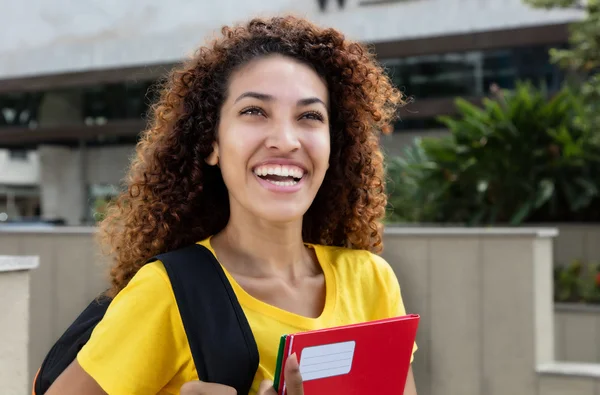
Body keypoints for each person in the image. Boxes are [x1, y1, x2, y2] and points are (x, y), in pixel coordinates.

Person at [46, 15, 418, 395]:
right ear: (212, 143)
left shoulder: (372, 281)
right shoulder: (169, 292)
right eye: (254, 111)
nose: (286, 140)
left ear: (332, 146)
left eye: (309, 116)